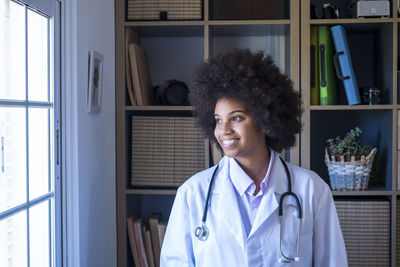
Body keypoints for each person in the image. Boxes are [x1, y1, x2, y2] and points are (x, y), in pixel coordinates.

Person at [160, 48, 348, 267]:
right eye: (218, 120)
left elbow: (332, 262)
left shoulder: (311, 189)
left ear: (265, 121)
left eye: (236, 118)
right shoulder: (192, 193)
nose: (223, 130)